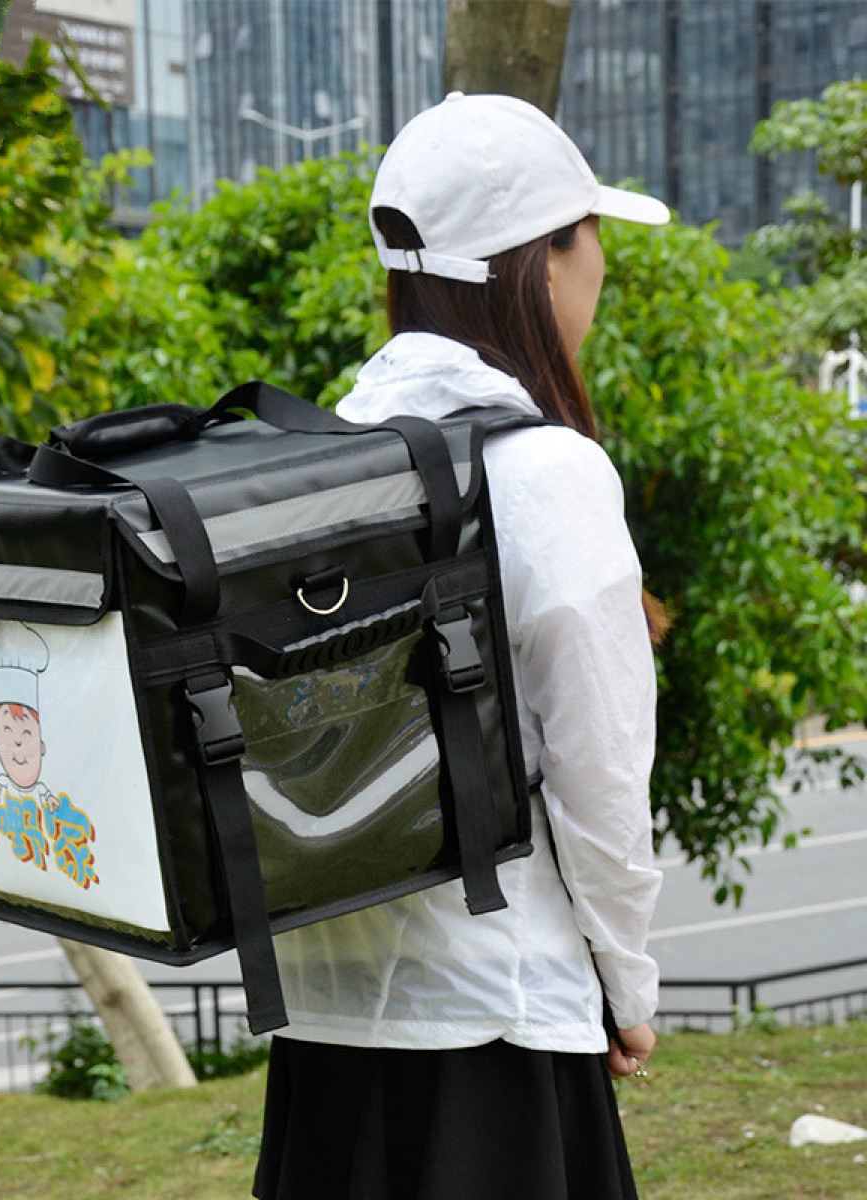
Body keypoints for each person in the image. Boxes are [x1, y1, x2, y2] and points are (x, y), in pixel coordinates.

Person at [253, 92, 670, 1200]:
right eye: (591, 236)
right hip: (498, 1020)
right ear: (542, 264)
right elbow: (599, 777)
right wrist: (626, 984)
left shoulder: (318, 458)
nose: (600, 268)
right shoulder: (547, 474)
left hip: (327, 1026)